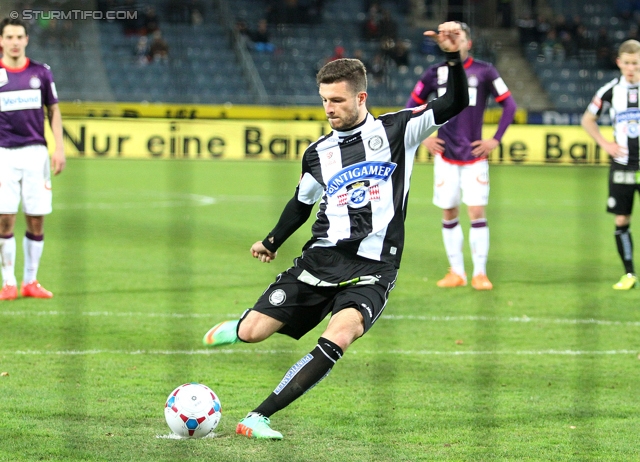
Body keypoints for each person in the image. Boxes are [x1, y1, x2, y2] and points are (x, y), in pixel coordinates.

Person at [202, 21, 469, 439]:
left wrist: (453, 57)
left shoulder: (399, 130)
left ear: (361, 97)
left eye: (338, 100)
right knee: (254, 333)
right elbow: (301, 204)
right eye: (325, 99)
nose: (329, 108)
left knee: (341, 334)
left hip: (374, 267)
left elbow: (455, 101)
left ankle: (258, 417)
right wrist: (271, 241)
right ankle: (238, 329)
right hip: (320, 260)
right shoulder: (317, 154)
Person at [405, 21, 517, 290]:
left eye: (461, 37)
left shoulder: (486, 71)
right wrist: (424, 137)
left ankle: (480, 273)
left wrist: (494, 140)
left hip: (474, 155)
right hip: (445, 155)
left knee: (477, 211)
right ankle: (456, 272)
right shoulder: (434, 73)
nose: (456, 41)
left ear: (469, 43)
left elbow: (509, 105)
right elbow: (411, 107)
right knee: (449, 211)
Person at [0, 18, 66, 301]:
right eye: (9, 37)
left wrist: (59, 148)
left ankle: (30, 281)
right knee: (4, 219)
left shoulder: (42, 72)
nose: (15, 41)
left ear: (26, 40)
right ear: (1, 41)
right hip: (3, 153)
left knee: (36, 219)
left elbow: (54, 111)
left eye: (19, 36)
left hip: (36, 153)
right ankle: (8, 283)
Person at [581, 39, 640, 290]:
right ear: (618, 62)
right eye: (626, 63)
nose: (631, 68)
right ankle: (629, 274)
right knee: (621, 220)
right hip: (622, 166)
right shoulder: (609, 90)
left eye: (636, 63)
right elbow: (587, 119)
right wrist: (605, 144)